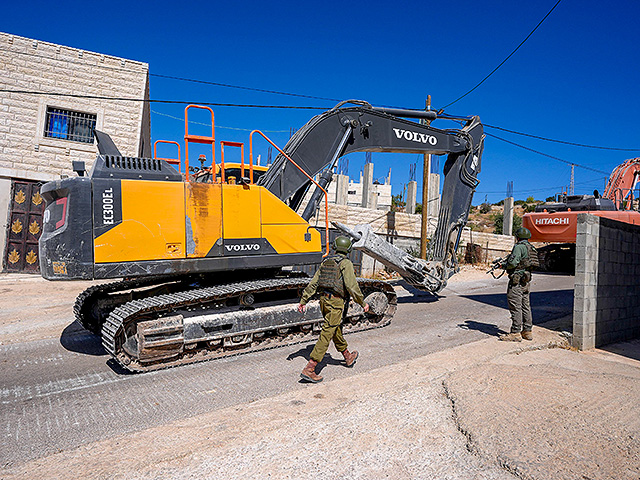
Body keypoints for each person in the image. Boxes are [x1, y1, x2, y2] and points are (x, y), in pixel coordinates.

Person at [297, 236, 369, 383]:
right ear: (348, 249)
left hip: (323, 301)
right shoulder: (346, 263)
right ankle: (310, 368)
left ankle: (348, 356)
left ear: (336, 247)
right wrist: (362, 302)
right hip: (336, 302)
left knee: (334, 329)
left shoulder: (326, 262)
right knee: (327, 333)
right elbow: (351, 286)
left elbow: (314, 283)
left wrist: (304, 300)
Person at [499, 227, 536, 342]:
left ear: (518, 237)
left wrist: (504, 265)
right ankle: (527, 331)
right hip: (526, 280)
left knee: (515, 306)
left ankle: (515, 333)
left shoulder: (519, 247)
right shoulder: (531, 247)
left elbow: (513, 263)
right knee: (526, 305)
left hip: (516, 281)